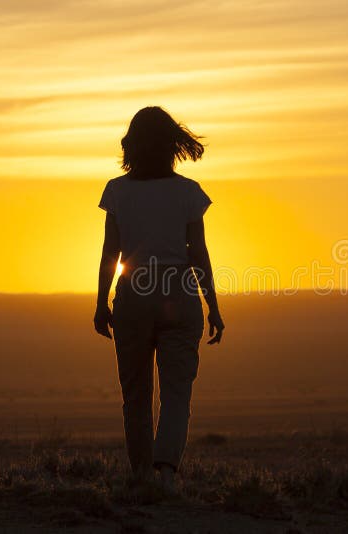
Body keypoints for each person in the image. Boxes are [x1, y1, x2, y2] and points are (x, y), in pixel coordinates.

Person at [93, 106, 224, 493]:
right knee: (177, 391)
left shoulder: (117, 191)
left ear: (131, 145)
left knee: (135, 392)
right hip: (179, 295)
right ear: (172, 145)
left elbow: (109, 254)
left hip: (134, 296)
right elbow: (198, 253)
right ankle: (166, 473)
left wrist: (102, 303)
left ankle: (140, 475)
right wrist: (213, 305)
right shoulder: (188, 192)